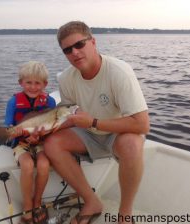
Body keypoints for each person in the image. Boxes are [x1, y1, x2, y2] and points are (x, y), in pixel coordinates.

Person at [43, 21, 149, 224]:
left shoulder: (119, 72)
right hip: (87, 132)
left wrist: (93, 122)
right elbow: (69, 117)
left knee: (133, 144)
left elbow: (142, 125)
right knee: (51, 143)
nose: (74, 52)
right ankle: (92, 202)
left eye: (79, 45)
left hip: (116, 133)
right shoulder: (66, 78)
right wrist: (43, 130)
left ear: (93, 41)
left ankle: (125, 214)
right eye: (67, 50)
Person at [4, 61, 56, 224]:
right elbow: (8, 128)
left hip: (41, 142)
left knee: (43, 165)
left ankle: (37, 201)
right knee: (27, 165)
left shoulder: (50, 103)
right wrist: (16, 133)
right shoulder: (13, 102)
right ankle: (28, 205)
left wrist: (40, 136)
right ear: (21, 83)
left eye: (37, 83)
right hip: (21, 143)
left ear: (45, 84)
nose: (33, 87)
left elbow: (53, 126)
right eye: (28, 82)